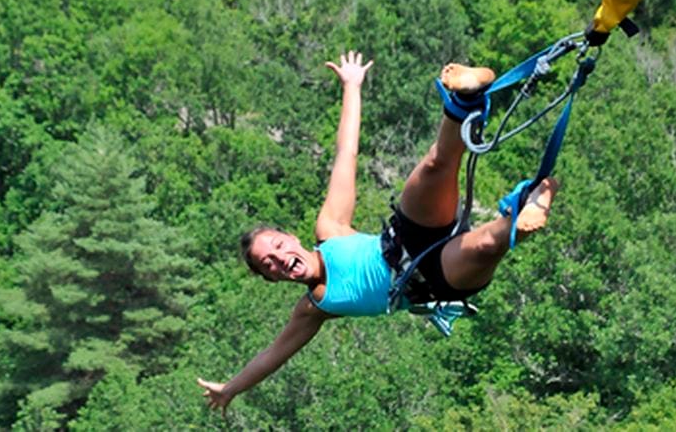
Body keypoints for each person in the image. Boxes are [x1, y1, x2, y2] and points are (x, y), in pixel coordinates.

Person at [197, 50, 558, 415]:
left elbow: (346, 154)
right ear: (272, 278)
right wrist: (230, 389)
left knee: (435, 165)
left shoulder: (330, 229)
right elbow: (272, 355)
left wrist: (351, 86)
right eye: (268, 265)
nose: (278, 260)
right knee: (485, 247)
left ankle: (466, 98)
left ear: (291, 237)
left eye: (276, 247)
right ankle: (525, 211)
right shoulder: (313, 309)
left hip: (409, 234)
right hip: (430, 280)